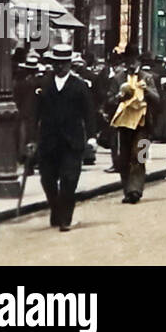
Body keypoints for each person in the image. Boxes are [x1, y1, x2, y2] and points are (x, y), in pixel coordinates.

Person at [32, 44, 97, 232]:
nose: (59, 67)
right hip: (49, 140)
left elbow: (89, 113)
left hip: (72, 141)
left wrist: (91, 137)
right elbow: (34, 113)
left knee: (69, 180)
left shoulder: (80, 86)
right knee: (48, 179)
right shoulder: (43, 84)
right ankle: (56, 209)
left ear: (69, 64)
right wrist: (31, 138)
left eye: (63, 63)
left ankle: (65, 219)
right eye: (56, 63)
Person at [109, 48, 157, 204]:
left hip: (143, 125)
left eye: (134, 61)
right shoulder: (117, 79)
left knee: (139, 156)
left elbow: (158, 99)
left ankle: (135, 190)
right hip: (124, 124)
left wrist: (147, 90)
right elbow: (108, 101)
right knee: (123, 158)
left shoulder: (148, 78)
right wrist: (119, 96)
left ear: (139, 62)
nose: (130, 64)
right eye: (128, 61)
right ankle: (127, 190)